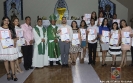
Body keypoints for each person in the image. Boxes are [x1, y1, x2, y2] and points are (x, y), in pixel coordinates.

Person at [0, 16, 18, 81]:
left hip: (10, 46)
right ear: (2, 21)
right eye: (5, 20)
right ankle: (8, 73)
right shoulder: (0, 29)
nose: (6, 22)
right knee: (5, 60)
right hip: (4, 47)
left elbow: (15, 37)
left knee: (12, 60)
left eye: (8, 20)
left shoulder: (11, 28)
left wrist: (15, 41)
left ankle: (13, 74)